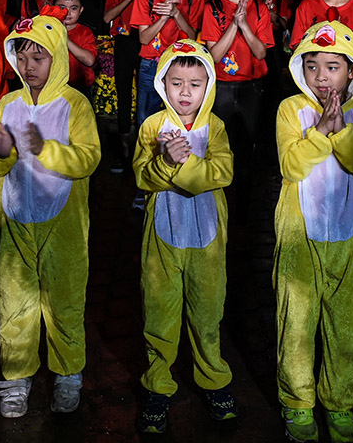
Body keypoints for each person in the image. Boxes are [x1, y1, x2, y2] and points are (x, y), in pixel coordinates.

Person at [0, 13, 101, 418]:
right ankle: (15, 377)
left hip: (62, 222)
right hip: (13, 219)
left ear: (59, 58)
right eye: (22, 56)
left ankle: (68, 374)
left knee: (64, 299)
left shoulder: (75, 104)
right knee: (14, 301)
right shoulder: (7, 104)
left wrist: (47, 149)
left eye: (39, 57)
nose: (29, 66)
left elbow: (88, 158)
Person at [275, 21, 353, 443]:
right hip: (300, 233)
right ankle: (297, 402)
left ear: (352, 71)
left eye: (333, 66)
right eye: (313, 66)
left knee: (348, 321)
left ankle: (339, 401)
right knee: (296, 321)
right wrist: (320, 133)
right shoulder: (290, 110)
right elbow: (291, 165)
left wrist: (343, 133)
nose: (322, 76)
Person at [133, 39, 237, 433]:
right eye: (176, 82)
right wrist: (163, 161)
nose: (185, 92)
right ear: (162, 83)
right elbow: (142, 176)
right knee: (159, 312)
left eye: (195, 83)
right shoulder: (151, 126)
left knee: (208, 313)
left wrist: (184, 162)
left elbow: (221, 174)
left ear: (208, 85)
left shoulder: (218, 128)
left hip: (208, 236)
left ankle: (214, 379)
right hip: (161, 236)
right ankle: (159, 384)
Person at [200, 0, 273, 169]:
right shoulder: (212, 8)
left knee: (247, 146)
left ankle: (245, 196)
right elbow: (214, 56)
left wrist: (244, 25)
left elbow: (261, 53)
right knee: (220, 145)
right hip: (222, 86)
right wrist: (233, 24)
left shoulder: (259, 9)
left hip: (252, 87)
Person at [130, 0, 204, 127]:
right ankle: (146, 157)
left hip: (181, 65)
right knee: (147, 121)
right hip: (151, 65)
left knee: (181, 121)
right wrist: (163, 17)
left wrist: (177, 14)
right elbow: (144, 38)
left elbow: (192, 37)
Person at [103, 0, 145, 160]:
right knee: (123, 93)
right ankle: (124, 148)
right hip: (123, 42)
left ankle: (143, 144)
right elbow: (106, 17)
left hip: (146, 43)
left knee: (146, 95)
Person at [54, 0, 98, 92]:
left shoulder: (85, 32)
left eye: (73, 8)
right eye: (62, 7)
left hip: (80, 87)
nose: (68, 13)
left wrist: (66, 39)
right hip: (54, 86)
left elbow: (90, 60)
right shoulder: (48, 29)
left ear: (80, 10)